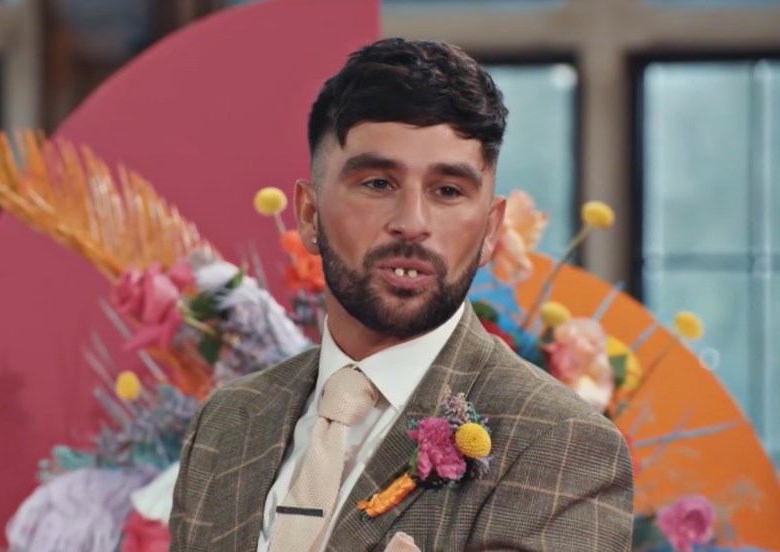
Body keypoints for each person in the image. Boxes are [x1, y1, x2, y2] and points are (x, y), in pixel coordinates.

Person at [169, 38, 633, 551]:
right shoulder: (228, 422)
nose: (412, 224)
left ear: (491, 232)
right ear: (308, 215)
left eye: (448, 191)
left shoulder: (559, 443)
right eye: (377, 183)